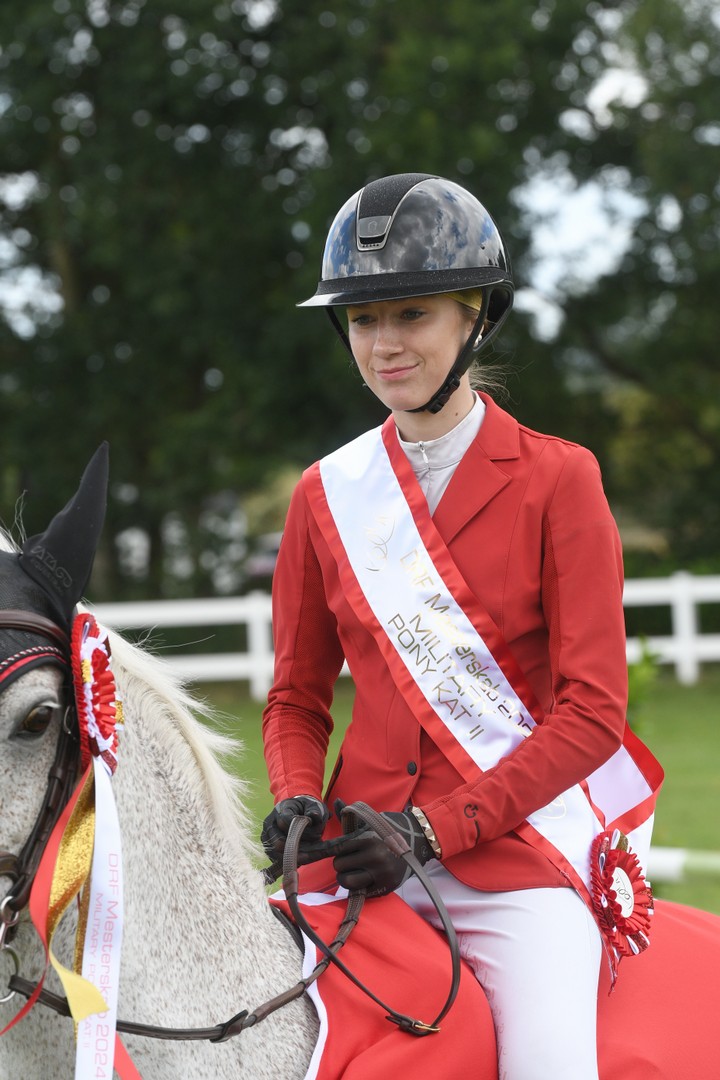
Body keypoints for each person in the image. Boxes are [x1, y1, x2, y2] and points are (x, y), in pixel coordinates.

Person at [261, 173, 663, 1079]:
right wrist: (295, 795)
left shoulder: (561, 480)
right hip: (353, 855)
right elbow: (295, 697)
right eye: (363, 319)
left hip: (509, 860)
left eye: (412, 314)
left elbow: (593, 713)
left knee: (550, 1064)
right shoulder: (326, 495)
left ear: (477, 317)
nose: (384, 344)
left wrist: (432, 832)